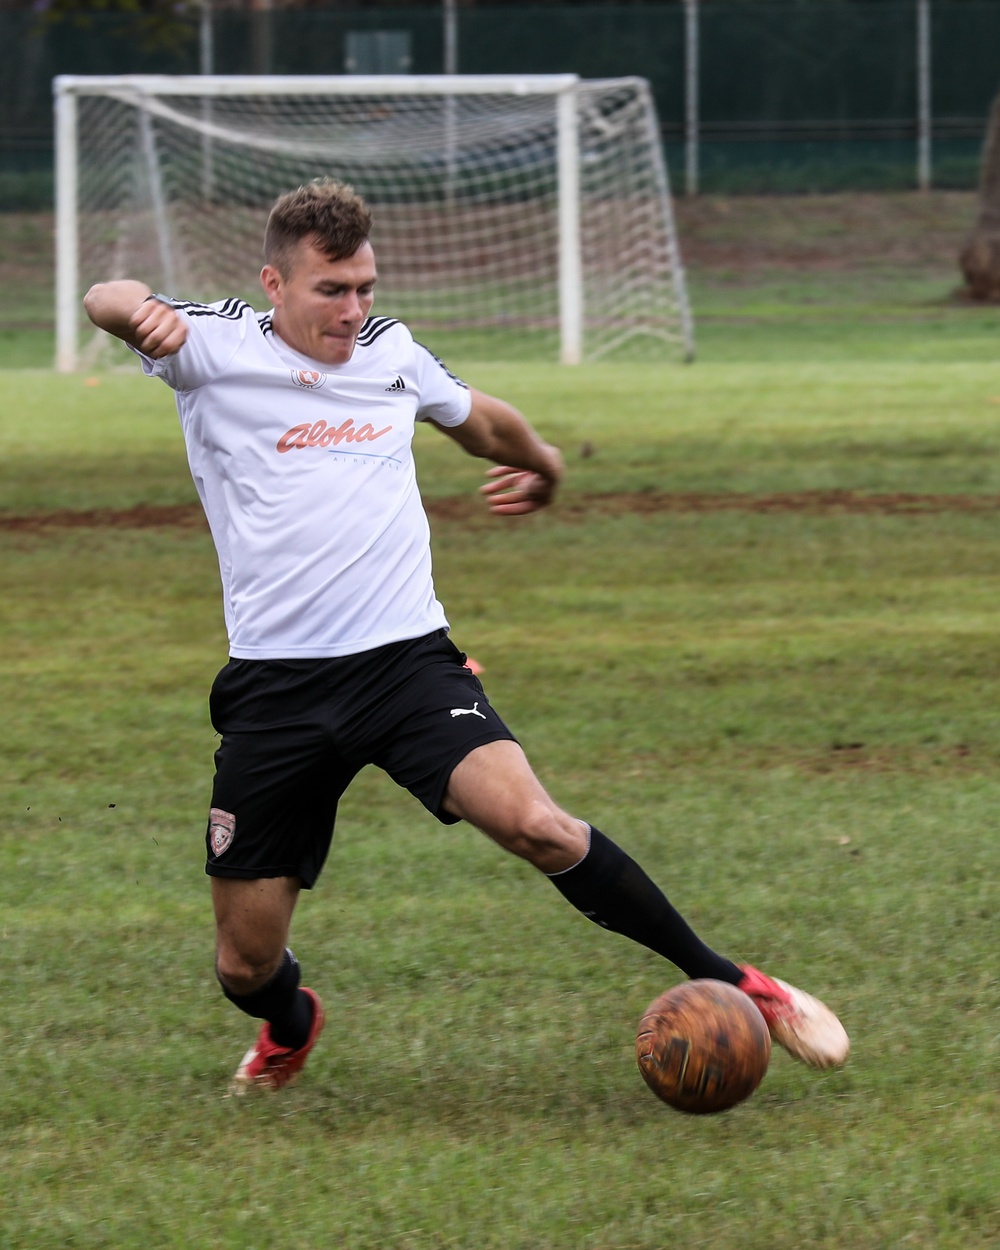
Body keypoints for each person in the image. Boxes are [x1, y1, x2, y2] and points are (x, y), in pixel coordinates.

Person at [83, 178, 849, 1094]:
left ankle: (737, 982)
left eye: (365, 286)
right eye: (333, 290)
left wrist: (547, 465)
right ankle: (293, 1021)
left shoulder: (389, 354)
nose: (354, 308)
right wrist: (143, 315)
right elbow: (109, 297)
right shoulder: (211, 345)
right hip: (277, 689)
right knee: (244, 966)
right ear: (275, 284)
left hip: (405, 664)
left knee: (537, 823)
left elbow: (481, 420)